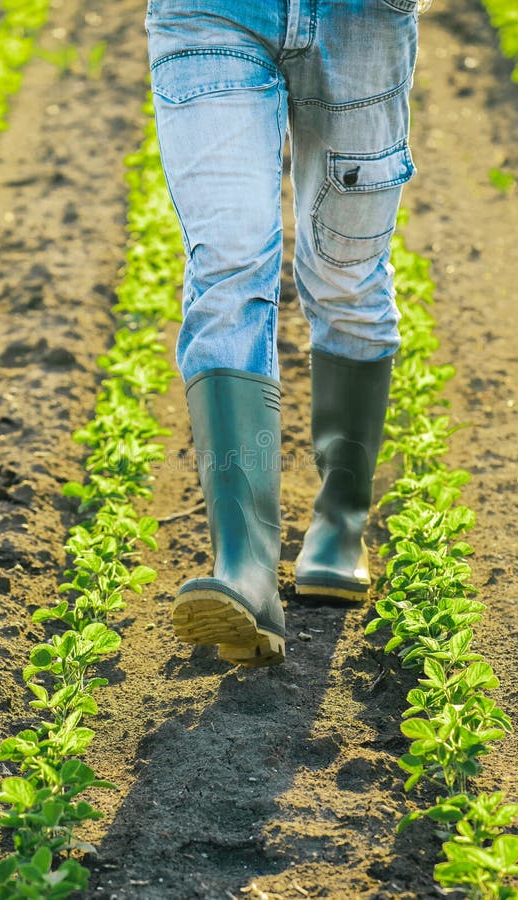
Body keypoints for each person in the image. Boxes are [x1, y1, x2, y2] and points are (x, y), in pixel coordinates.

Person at [145, 0, 420, 668]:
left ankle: (338, 523)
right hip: (210, 14)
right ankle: (244, 567)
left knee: (346, 278)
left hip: (361, 18)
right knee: (228, 262)